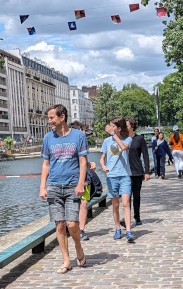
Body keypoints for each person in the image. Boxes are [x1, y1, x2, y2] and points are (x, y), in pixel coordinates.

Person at [39, 104, 88, 274]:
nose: (49, 121)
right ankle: (66, 260)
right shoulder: (48, 138)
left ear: (62, 117)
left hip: (72, 184)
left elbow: (83, 161)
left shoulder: (78, 136)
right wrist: (42, 186)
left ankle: (78, 246)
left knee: (72, 223)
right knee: (59, 225)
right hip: (53, 185)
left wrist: (81, 183)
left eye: (52, 117)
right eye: (48, 118)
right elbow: (46, 164)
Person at [100, 117, 135, 243]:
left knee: (125, 203)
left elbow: (123, 147)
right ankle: (117, 228)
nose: (110, 128)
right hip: (112, 176)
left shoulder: (128, 139)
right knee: (115, 204)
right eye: (109, 126)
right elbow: (102, 158)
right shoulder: (106, 141)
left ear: (119, 128)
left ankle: (129, 231)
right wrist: (103, 166)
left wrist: (114, 135)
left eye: (113, 126)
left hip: (125, 175)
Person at [126, 117, 151, 226]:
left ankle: (137, 216)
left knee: (136, 195)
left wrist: (146, 171)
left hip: (137, 171)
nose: (124, 127)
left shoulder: (139, 139)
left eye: (126, 125)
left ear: (132, 126)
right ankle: (127, 218)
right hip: (125, 172)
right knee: (126, 196)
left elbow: (146, 155)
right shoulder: (122, 139)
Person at [78, 161, 102, 242]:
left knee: (84, 204)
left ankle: (81, 230)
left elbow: (82, 157)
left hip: (85, 179)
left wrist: (90, 163)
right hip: (70, 176)